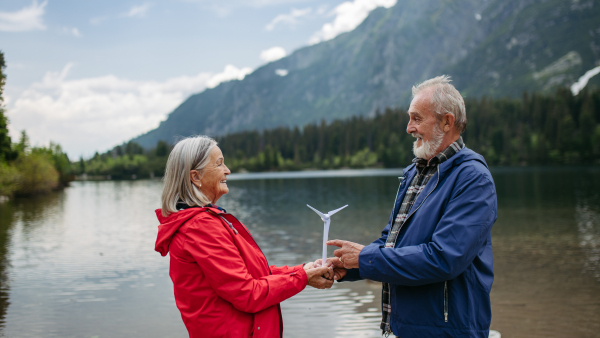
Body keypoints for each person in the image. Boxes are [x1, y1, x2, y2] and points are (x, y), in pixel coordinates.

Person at [322, 75, 498, 338]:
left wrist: (366, 258)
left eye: (417, 118)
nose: (408, 128)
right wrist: (350, 266)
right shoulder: (415, 173)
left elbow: (444, 258)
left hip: (449, 331)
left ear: (447, 121)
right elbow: (391, 242)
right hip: (408, 328)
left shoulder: (473, 179)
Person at [154, 136, 334, 338]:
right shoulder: (199, 227)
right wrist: (301, 278)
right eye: (219, 163)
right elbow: (247, 293)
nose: (227, 170)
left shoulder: (204, 221)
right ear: (195, 177)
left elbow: (251, 274)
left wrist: (301, 270)